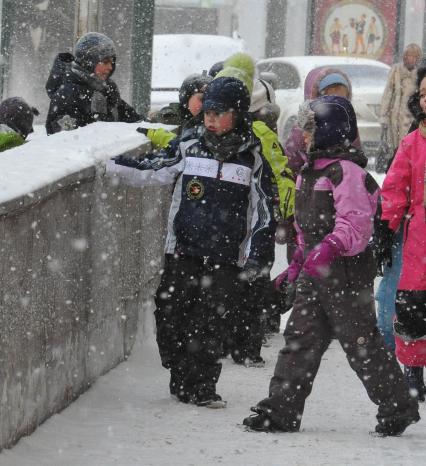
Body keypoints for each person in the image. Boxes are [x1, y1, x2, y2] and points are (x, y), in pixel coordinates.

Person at [242, 95, 420, 436]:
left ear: (329, 131)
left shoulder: (346, 172)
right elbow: (302, 229)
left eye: (310, 130)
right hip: (314, 271)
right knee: (299, 339)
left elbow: (356, 222)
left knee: (360, 343)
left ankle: (398, 406)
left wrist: (331, 246)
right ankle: (280, 410)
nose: (303, 137)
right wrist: (296, 265)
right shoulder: (308, 172)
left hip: (346, 272)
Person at [106, 74, 276, 407]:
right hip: (182, 251)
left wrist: (258, 254)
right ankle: (179, 370)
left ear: (238, 114)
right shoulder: (188, 145)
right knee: (171, 316)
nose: (211, 119)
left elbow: (264, 213)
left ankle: (202, 386)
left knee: (210, 323)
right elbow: (156, 168)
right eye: (208, 112)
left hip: (225, 258)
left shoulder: (252, 159)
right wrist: (113, 167)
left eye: (220, 113)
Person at [377, 66, 426, 402]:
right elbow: (395, 189)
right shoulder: (413, 142)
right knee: (412, 306)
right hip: (419, 237)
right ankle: (413, 373)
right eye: (423, 94)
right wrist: (384, 228)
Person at [46, 32, 141, 134]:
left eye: (112, 62)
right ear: (89, 61)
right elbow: (68, 141)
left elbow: (134, 121)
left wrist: (152, 121)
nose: (110, 67)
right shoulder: (67, 95)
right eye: (105, 62)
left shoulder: (106, 90)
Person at [284, 67, 355, 176]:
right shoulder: (306, 125)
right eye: (330, 99)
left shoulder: (348, 124)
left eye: (342, 100)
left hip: (340, 179)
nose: (337, 105)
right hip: (310, 183)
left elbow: (355, 151)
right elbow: (292, 160)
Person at [142, 72, 212, 147]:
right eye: (202, 99)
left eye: (211, 100)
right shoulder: (168, 118)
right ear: (186, 97)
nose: (207, 104)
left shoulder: (215, 123)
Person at [379, 43, 422, 154]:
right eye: (409, 56)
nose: (411, 59)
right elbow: (388, 93)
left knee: (409, 149)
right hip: (395, 117)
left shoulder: (420, 75)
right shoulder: (396, 71)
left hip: (412, 119)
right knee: (394, 150)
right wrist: (383, 116)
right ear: (404, 56)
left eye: (415, 56)